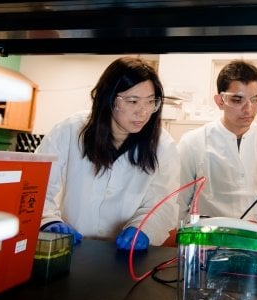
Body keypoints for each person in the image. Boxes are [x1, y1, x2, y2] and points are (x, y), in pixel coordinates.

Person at [35, 56, 181, 250]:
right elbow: (37, 185)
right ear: (109, 98)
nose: (143, 112)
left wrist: (144, 229)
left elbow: (164, 203)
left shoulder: (163, 145)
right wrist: (48, 221)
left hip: (125, 257)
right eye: (133, 101)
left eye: (150, 102)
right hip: (71, 248)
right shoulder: (70, 130)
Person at [177, 60, 257, 221]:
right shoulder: (193, 142)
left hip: (255, 240)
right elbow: (177, 204)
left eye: (255, 99)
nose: (248, 109)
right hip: (207, 240)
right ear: (220, 101)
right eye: (237, 100)